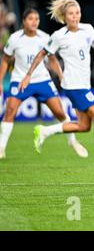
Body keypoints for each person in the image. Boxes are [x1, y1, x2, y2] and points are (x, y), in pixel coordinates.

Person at [18, 0, 94, 166]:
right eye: (71, 14)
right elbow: (42, 54)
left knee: (84, 126)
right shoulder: (59, 36)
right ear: (64, 16)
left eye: (77, 13)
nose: (75, 16)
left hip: (83, 84)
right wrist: (28, 75)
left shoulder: (88, 29)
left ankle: (45, 131)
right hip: (73, 85)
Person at [0, 8, 86, 159]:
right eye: (31, 19)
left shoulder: (45, 37)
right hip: (20, 81)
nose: (34, 22)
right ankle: (1, 148)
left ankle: (73, 142)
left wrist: (60, 75)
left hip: (42, 80)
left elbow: (52, 59)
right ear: (24, 21)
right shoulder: (14, 38)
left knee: (60, 113)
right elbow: (6, 60)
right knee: (10, 112)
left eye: (37, 19)